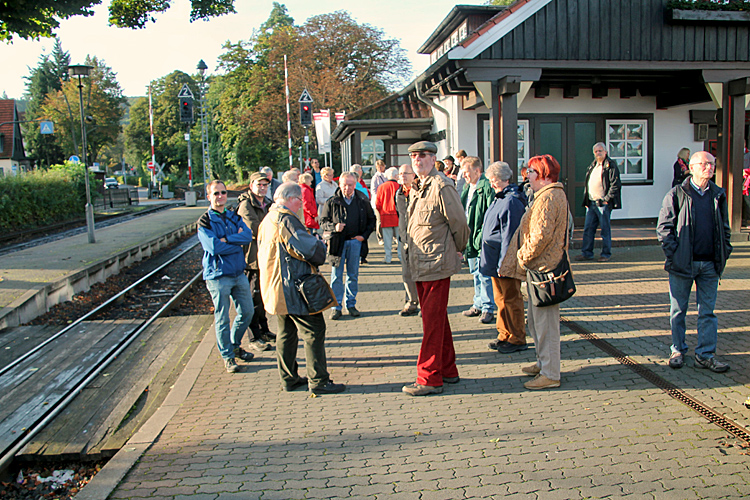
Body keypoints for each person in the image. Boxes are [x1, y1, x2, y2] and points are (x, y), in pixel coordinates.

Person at [257, 182, 345, 394]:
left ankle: (289, 378)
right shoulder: (286, 220)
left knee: (286, 333)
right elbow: (307, 249)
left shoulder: (268, 219)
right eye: (300, 200)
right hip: (294, 288)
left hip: (276, 288)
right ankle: (319, 380)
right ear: (291, 199)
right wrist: (321, 245)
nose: (301, 205)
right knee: (314, 330)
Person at [403, 141, 469, 396]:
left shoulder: (442, 185)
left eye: (423, 156)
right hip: (421, 262)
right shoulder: (418, 187)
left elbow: (459, 222)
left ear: (433, 159)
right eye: (414, 156)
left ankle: (429, 378)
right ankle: (448, 370)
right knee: (437, 319)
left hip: (436, 263)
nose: (418, 160)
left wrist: (459, 249)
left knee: (430, 322)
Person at [656, 151, 732, 373]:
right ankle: (678, 349)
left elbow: (724, 228)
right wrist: (675, 254)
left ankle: (705, 354)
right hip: (683, 264)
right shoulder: (677, 194)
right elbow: (664, 229)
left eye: (712, 164)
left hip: (709, 264)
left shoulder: (718, 194)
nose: (710, 167)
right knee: (678, 310)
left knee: (707, 312)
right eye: (705, 164)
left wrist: (725, 251)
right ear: (692, 167)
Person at [499, 155, 570, 390]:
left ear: (543, 174)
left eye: (530, 171)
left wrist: (522, 256)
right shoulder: (546, 195)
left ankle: (550, 373)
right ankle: (543, 364)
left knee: (546, 325)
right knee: (537, 323)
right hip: (540, 268)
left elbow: (540, 235)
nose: (526, 175)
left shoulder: (549, 196)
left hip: (545, 270)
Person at [198, 180, 256, 373]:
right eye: (216, 193)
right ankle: (228, 356)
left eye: (223, 192)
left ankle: (234, 344)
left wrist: (227, 239)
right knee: (222, 318)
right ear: (209, 196)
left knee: (247, 312)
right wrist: (233, 242)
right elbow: (214, 247)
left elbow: (248, 236)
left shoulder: (233, 216)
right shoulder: (205, 221)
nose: (220, 196)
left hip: (238, 272)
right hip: (218, 276)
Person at [479, 162, 528, 354]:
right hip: (494, 258)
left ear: (504, 179)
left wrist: (505, 263)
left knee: (511, 299)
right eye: (491, 181)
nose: (492, 185)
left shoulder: (511, 201)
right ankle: (504, 333)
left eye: (494, 181)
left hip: (503, 260)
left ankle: (517, 338)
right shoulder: (500, 198)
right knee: (500, 299)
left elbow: (510, 236)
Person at [319, 172, 376, 320]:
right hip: (338, 243)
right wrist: (334, 226)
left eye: (350, 184)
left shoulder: (362, 200)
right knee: (336, 276)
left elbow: (372, 220)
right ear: (340, 185)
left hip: (355, 243)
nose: (347, 188)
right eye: (344, 184)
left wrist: (363, 237)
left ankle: (351, 304)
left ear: (355, 185)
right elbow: (322, 221)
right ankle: (336, 307)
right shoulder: (332, 201)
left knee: (353, 275)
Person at [237, 172, 276, 352]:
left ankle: (264, 330)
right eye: (259, 185)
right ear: (251, 185)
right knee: (253, 298)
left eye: (265, 185)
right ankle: (254, 337)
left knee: (263, 297)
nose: (262, 188)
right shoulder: (246, 205)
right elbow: (255, 229)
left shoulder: (267, 203)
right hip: (252, 259)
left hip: (266, 256)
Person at [460, 156, 496, 324]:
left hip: (480, 238)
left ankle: (488, 308)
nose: (464, 175)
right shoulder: (468, 188)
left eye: (466, 172)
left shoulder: (486, 187)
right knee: (475, 272)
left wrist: (482, 235)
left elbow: (490, 214)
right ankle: (478, 304)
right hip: (470, 237)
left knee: (484, 275)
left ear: (477, 171)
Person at [576, 142, 622, 262]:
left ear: (605, 152)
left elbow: (615, 185)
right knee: (588, 230)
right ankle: (587, 253)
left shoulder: (610, 166)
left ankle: (606, 254)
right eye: (596, 151)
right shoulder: (592, 166)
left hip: (603, 204)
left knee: (605, 230)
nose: (598, 153)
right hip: (591, 203)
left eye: (600, 151)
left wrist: (607, 199)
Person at [395, 163, 420, 316]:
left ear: (414, 175)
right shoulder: (398, 194)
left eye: (406, 173)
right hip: (404, 239)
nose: (403, 176)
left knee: (420, 273)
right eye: (401, 173)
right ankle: (411, 302)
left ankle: (423, 304)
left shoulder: (419, 191)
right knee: (406, 273)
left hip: (420, 240)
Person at [375, 166, 400, 264]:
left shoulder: (381, 187)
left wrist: (381, 212)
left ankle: (388, 257)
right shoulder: (399, 187)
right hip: (398, 216)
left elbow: (378, 203)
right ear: (395, 175)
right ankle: (401, 257)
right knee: (400, 239)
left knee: (387, 239)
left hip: (385, 215)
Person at [370, 159, 388, 245]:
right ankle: (380, 238)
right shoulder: (375, 177)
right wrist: (380, 197)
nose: (381, 168)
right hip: (378, 202)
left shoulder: (387, 176)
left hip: (387, 202)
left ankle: (391, 237)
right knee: (379, 220)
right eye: (379, 167)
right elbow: (373, 191)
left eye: (382, 166)